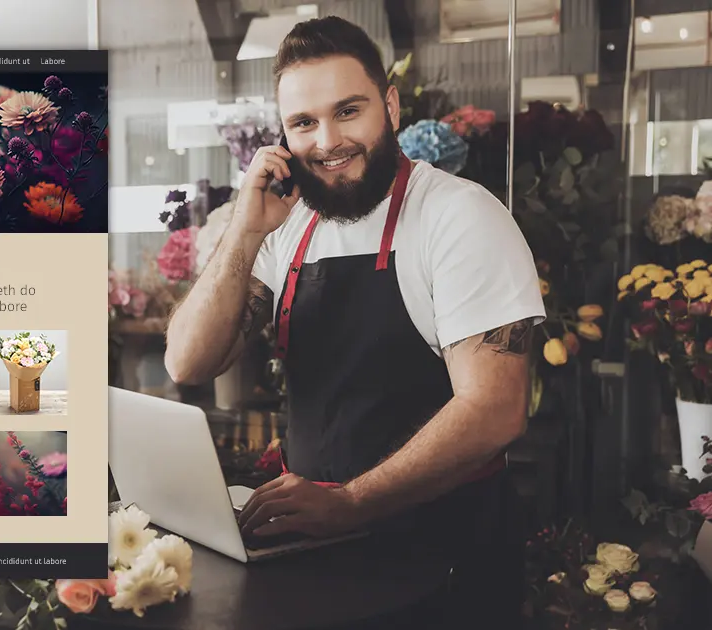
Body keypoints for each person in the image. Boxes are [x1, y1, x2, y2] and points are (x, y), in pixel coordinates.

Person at [164, 15, 545, 629]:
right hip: (319, 548)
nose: (327, 141)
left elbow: (496, 409)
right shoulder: (284, 224)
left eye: (348, 111)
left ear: (390, 106)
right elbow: (188, 362)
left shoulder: (459, 217)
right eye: (304, 123)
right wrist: (243, 226)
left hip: (445, 554)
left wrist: (351, 503)